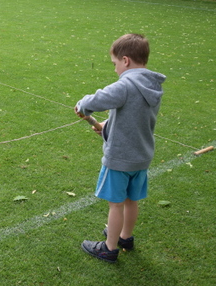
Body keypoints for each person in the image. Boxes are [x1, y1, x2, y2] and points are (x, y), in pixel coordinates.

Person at [74, 34, 165, 263]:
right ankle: (125, 237)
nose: (115, 69)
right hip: (141, 157)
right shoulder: (151, 85)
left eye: (115, 64)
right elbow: (132, 116)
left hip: (120, 159)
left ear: (125, 60)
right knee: (131, 200)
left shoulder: (126, 84)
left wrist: (82, 104)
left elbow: (97, 100)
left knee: (115, 204)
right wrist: (107, 126)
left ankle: (109, 248)